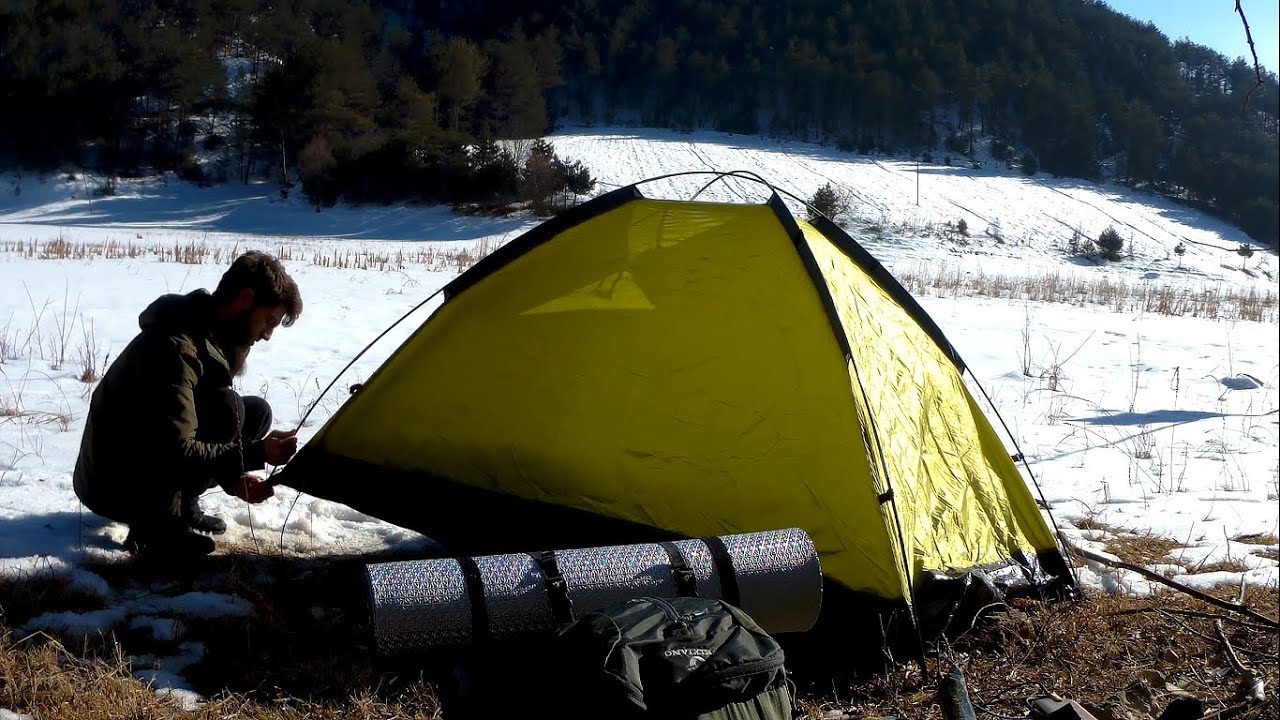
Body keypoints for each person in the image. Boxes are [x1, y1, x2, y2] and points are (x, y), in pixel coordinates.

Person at [73, 251, 303, 559]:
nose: (268, 335)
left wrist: (234, 480)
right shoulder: (176, 346)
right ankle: (157, 528)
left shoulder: (215, 332)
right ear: (246, 299)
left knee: (253, 412)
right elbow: (175, 450)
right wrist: (258, 453)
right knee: (227, 407)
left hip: (141, 458)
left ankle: (182, 504)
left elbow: (193, 426)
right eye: (269, 321)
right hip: (111, 482)